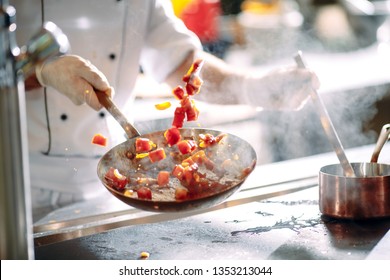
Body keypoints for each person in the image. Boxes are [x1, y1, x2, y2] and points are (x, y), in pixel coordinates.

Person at [12, 0, 319, 218]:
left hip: (107, 184)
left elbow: (183, 64)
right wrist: (39, 71)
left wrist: (250, 87)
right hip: (18, 183)